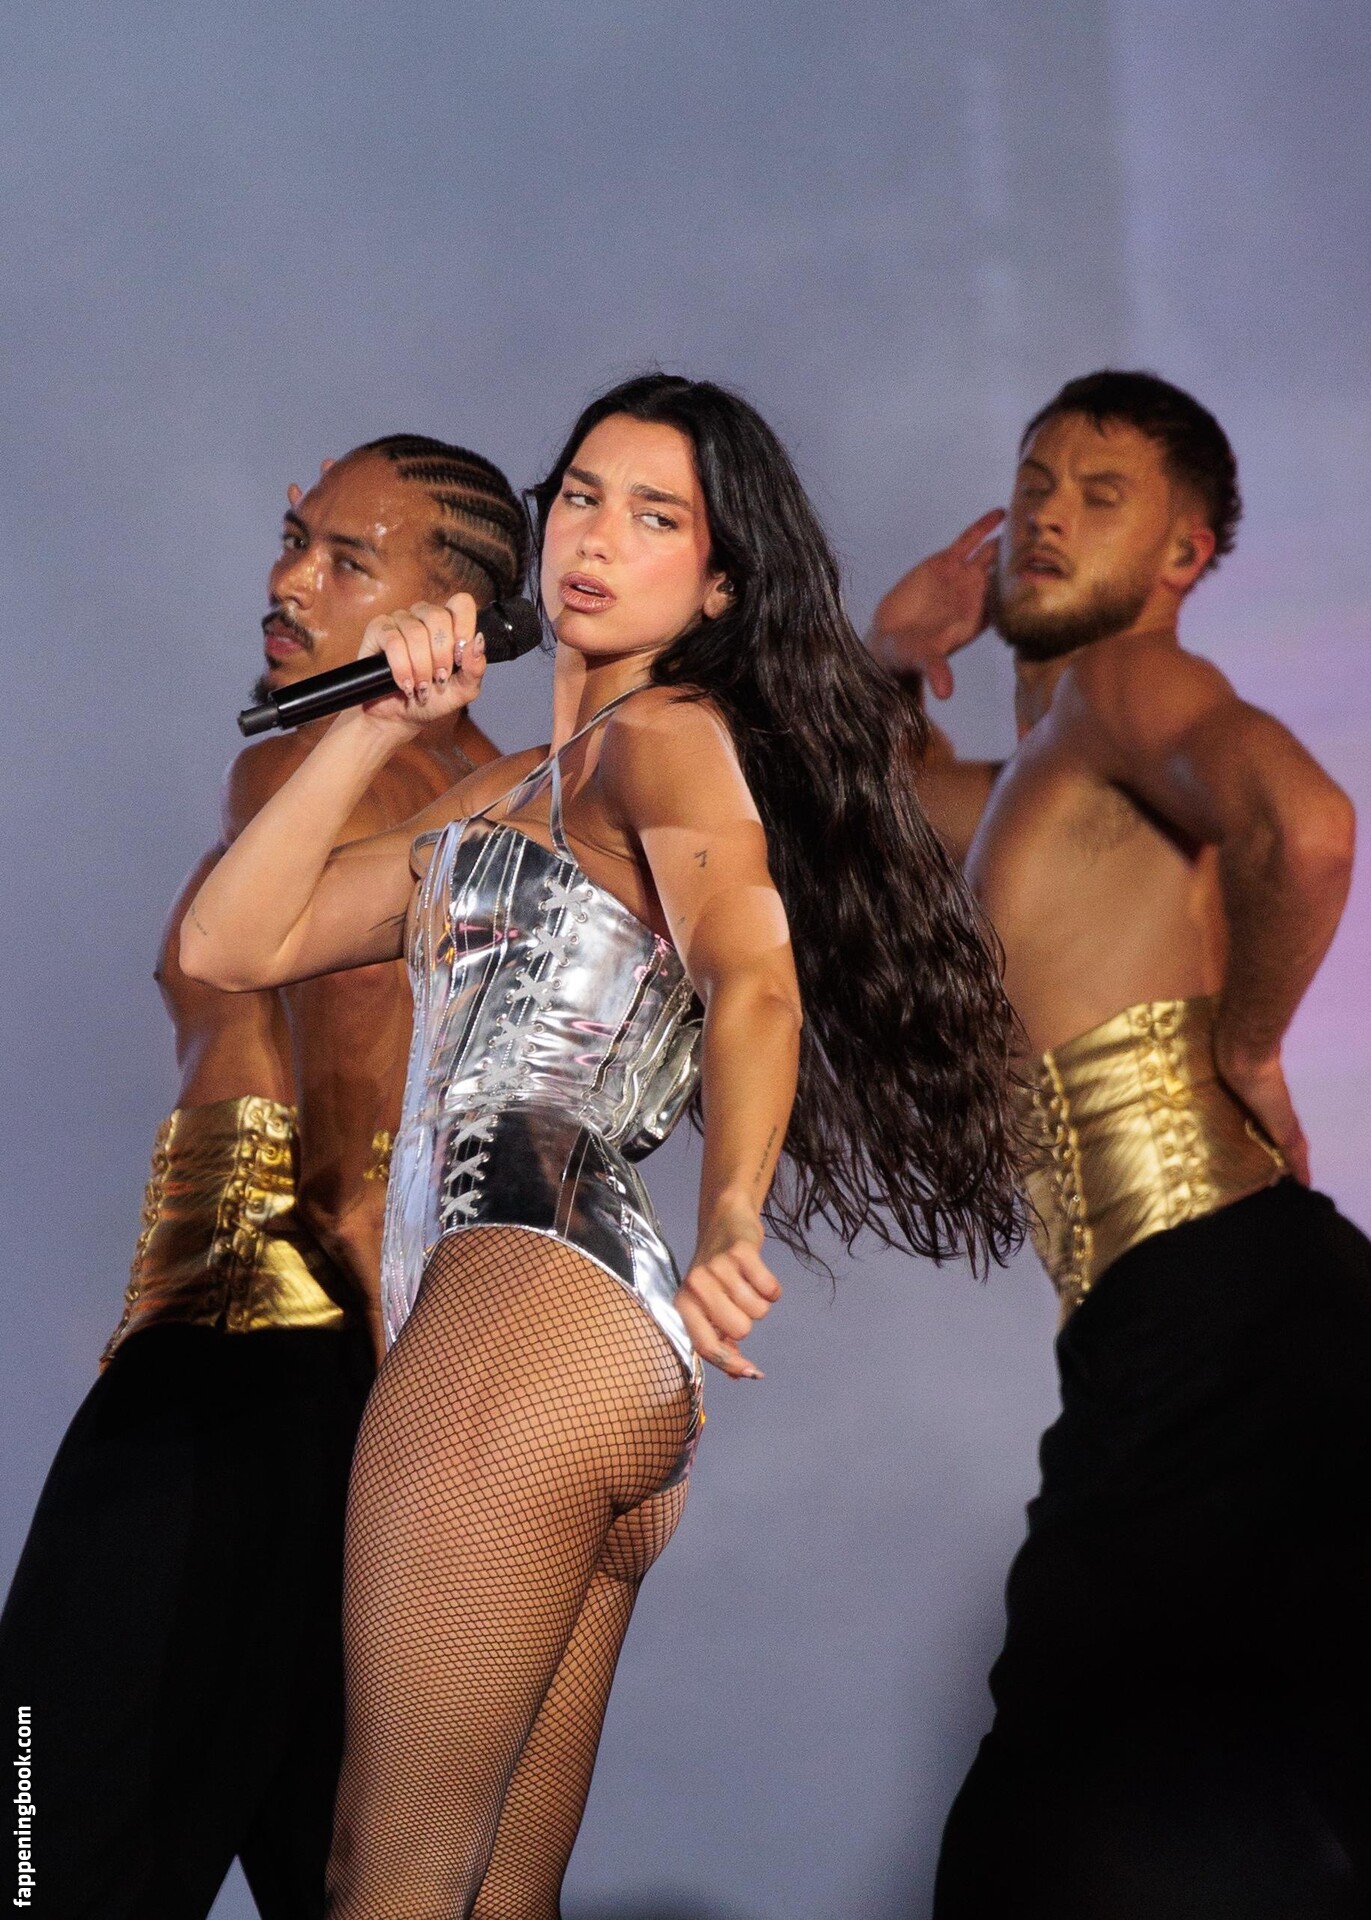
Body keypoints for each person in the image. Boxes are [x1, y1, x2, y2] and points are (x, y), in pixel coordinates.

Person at [183, 372, 1027, 1919]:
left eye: (653, 517)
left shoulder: (665, 735)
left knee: (388, 1873)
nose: (594, 536)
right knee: (493, 1896)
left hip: (529, 1295)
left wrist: (734, 1216)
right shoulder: (503, 791)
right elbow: (235, 942)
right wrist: (373, 725)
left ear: (716, 585)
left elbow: (753, 972)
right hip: (587, 1341)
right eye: (580, 496)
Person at [0, 435, 524, 1920]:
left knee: (41, 1853)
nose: (290, 582)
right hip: (366, 1395)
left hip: (247, 1369)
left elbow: (354, 1125)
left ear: (453, 615)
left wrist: (369, 1413)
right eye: (297, 538)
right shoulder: (493, 788)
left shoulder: (313, 763)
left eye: (349, 561)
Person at [870, 370, 1366, 1916]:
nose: (1047, 513)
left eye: (1100, 494)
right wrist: (894, 651)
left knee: (1049, 1824)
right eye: (1032, 481)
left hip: (1223, 1305)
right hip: (1200, 1319)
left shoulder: (1121, 688)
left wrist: (1250, 1044)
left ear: (1182, 554)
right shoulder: (1036, 777)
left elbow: (1307, 828)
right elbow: (876, 803)